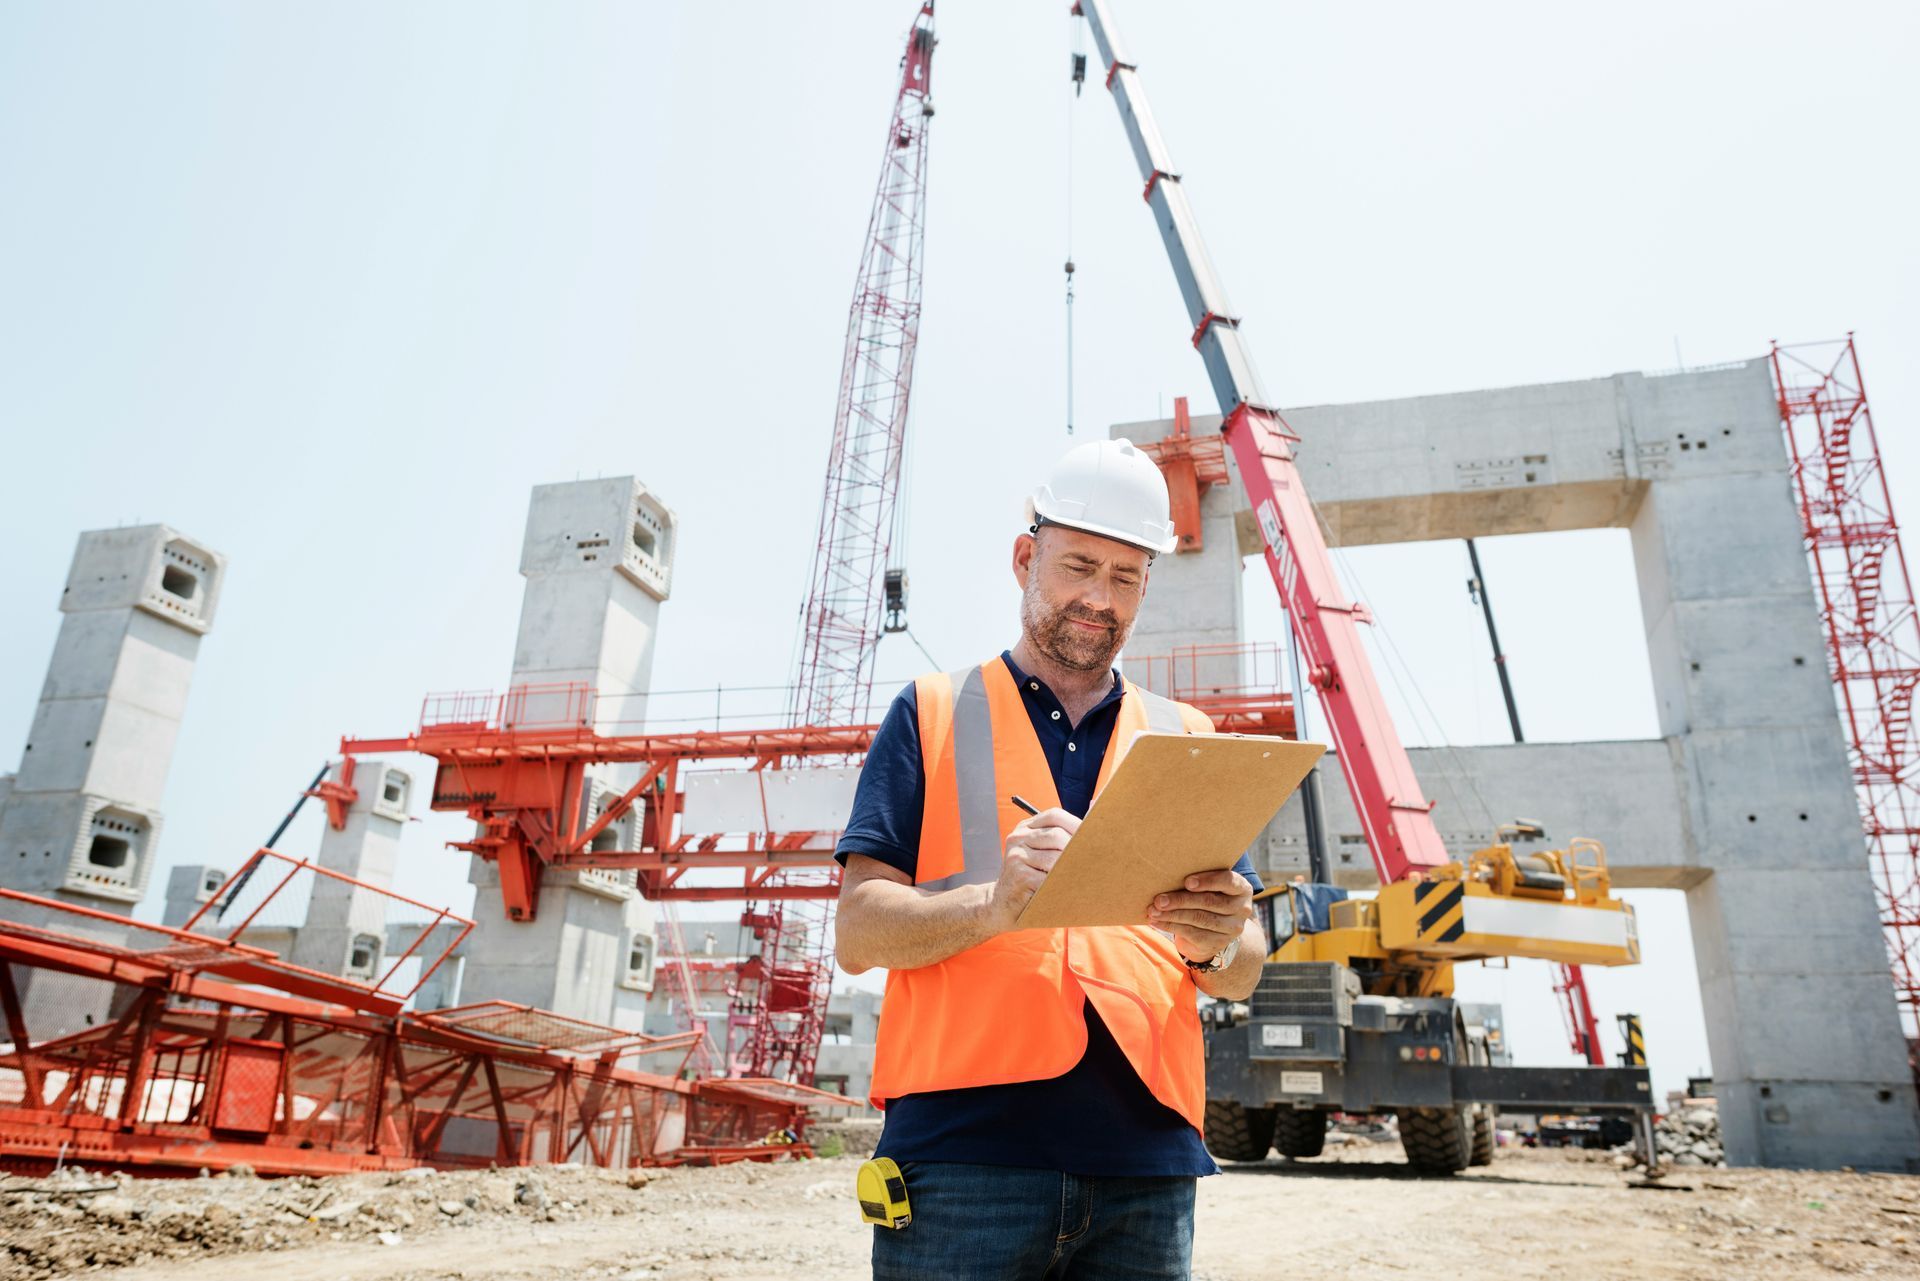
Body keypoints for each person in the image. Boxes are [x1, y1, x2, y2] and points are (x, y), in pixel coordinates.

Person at [835, 438, 1268, 1281]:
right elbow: (857, 930)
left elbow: (1241, 968)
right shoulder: (931, 711)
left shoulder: (1186, 739)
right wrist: (993, 905)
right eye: (1078, 566)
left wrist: (1220, 937)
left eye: (1125, 576)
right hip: (964, 1163)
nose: (1098, 598)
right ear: (1026, 558)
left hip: (1147, 1168)